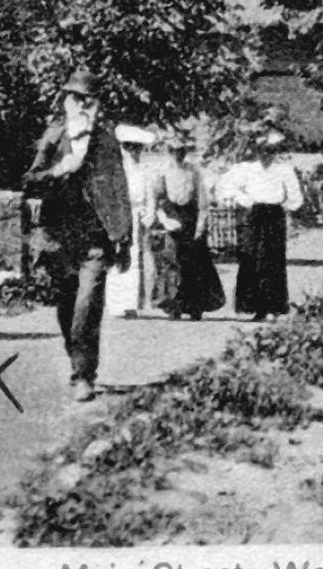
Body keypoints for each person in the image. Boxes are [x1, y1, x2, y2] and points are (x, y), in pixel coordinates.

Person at [22, 67, 133, 402]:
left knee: (88, 304)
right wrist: (59, 170)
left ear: (97, 105)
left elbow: (118, 189)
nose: (83, 104)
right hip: (60, 236)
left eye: (90, 99)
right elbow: (29, 181)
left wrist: (124, 238)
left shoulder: (106, 140)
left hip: (96, 237)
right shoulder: (53, 137)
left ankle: (83, 375)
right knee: (67, 306)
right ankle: (77, 358)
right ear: (66, 101)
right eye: (76, 98)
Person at [221, 128, 302, 321]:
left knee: (272, 260)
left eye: (271, 151)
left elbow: (296, 196)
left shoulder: (284, 170)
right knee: (251, 258)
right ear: (257, 151)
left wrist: (286, 208)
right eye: (264, 151)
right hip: (254, 215)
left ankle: (273, 306)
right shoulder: (248, 169)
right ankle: (257, 307)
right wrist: (245, 200)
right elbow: (227, 186)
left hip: (274, 216)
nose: (267, 155)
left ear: (276, 152)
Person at [147, 139, 225, 320]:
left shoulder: (193, 171)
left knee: (194, 262)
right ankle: (174, 305)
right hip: (172, 217)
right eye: (174, 151)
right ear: (169, 151)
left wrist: (200, 225)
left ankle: (194, 305)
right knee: (173, 261)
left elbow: (202, 200)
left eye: (182, 151)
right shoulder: (162, 172)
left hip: (190, 218)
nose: (179, 154)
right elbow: (157, 199)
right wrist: (164, 220)